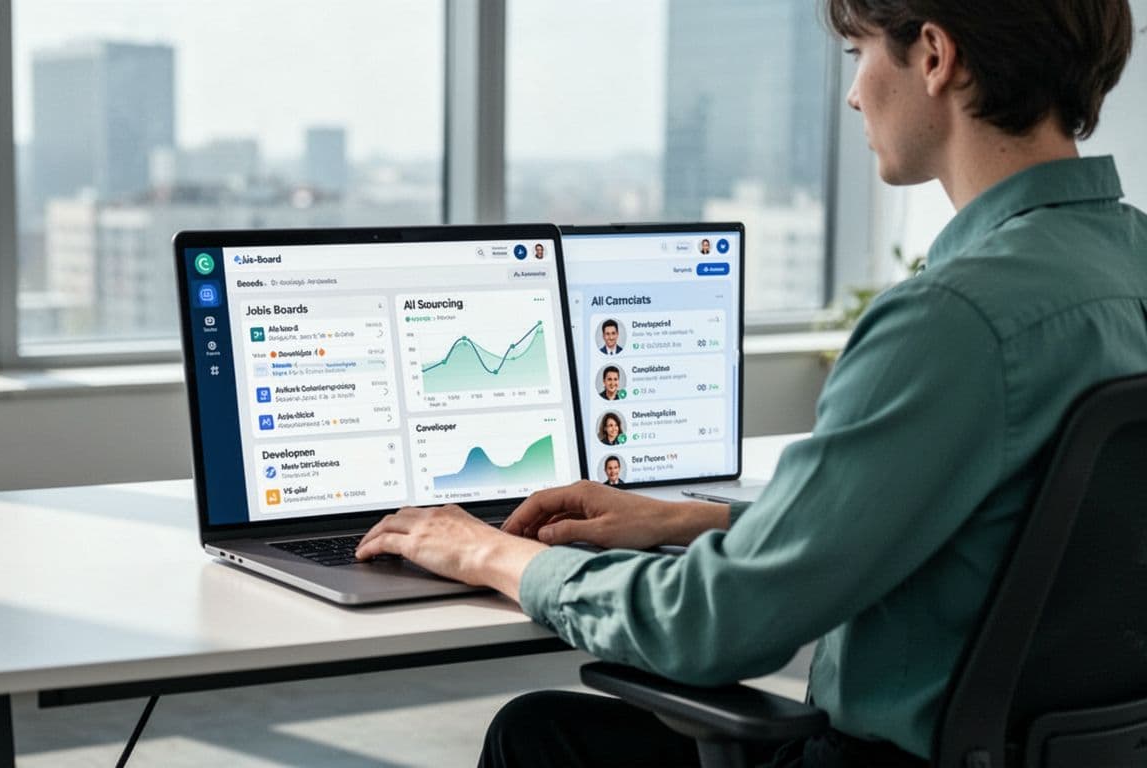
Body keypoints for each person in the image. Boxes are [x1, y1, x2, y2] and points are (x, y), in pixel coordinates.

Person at [357, 1, 1143, 766]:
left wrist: (489, 554)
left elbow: (716, 629)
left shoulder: (950, 318)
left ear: (935, 57)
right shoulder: (1128, 259)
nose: (853, 92)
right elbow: (998, 520)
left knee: (539, 735)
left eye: (857, 55)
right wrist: (684, 519)